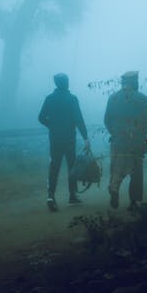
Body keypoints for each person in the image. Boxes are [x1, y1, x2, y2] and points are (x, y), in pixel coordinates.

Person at [38, 73, 89, 212]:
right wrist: (85, 137)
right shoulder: (72, 99)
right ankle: (72, 196)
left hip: (55, 138)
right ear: (66, 83)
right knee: (71, 167)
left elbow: (41, 117)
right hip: (69, 139)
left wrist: (52, 126)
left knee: (54, 167)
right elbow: (79, 119)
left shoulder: (49, 99)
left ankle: (50, 196)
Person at [104, 71, 147, 210]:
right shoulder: (142, 99)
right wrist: (140, 136)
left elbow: (107, 120)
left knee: (116, 168)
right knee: (136, 172)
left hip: (117, 140)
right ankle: (134, 202)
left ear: (123, 82)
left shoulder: (112, 98)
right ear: (135, 82)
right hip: (135, 142)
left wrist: (114, 133)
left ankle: (114, 189)